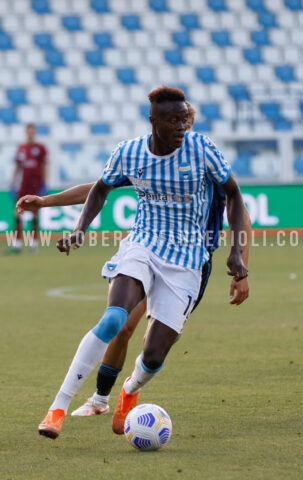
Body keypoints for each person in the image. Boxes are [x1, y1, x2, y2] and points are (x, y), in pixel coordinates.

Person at [20, 86, 249, 439]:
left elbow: (237, 202)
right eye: (174, 121)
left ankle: (129, 389)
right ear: (154, 122)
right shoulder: (131, 153)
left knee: (155, 352)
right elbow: (99, 186)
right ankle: (62, 407)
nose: (181, 128)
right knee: (118, 320)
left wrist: (239, 256)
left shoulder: (203, 153)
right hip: (142, 245)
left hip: (190, 259)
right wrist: (69, 220)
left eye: (184, 121)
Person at [6, 123, 48, 254]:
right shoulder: (21, 148)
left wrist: (44, 183)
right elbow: (17, 167)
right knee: (18, 212)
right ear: (26, 132)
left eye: (32, 132)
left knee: (35, 214)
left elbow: (45, 166)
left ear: (34, 133)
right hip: (22, 186)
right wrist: (12, 183)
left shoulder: (41, 148)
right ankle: (17, 245)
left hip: (35, 185)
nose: (30, 134)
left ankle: (33, 244)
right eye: (29, 132)